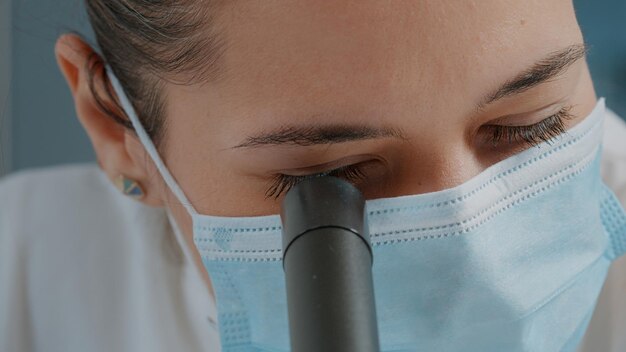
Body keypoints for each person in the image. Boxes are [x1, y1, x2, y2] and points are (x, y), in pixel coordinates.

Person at [2, 1, 626, 351]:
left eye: (531, 127)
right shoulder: (21, 284)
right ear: (116, 129)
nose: (475, 266)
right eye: (334, 174)